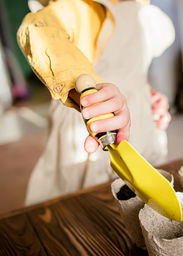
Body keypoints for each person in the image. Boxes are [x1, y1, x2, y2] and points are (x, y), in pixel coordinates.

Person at [17, 0, 173, 205]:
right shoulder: (77, 8)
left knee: (140, 202)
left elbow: (130, 71)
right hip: (91, 122)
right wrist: (88, 90)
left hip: (138, 124)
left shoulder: (144, 14)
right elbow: (42, 29)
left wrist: (148, 96)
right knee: (86, 206)